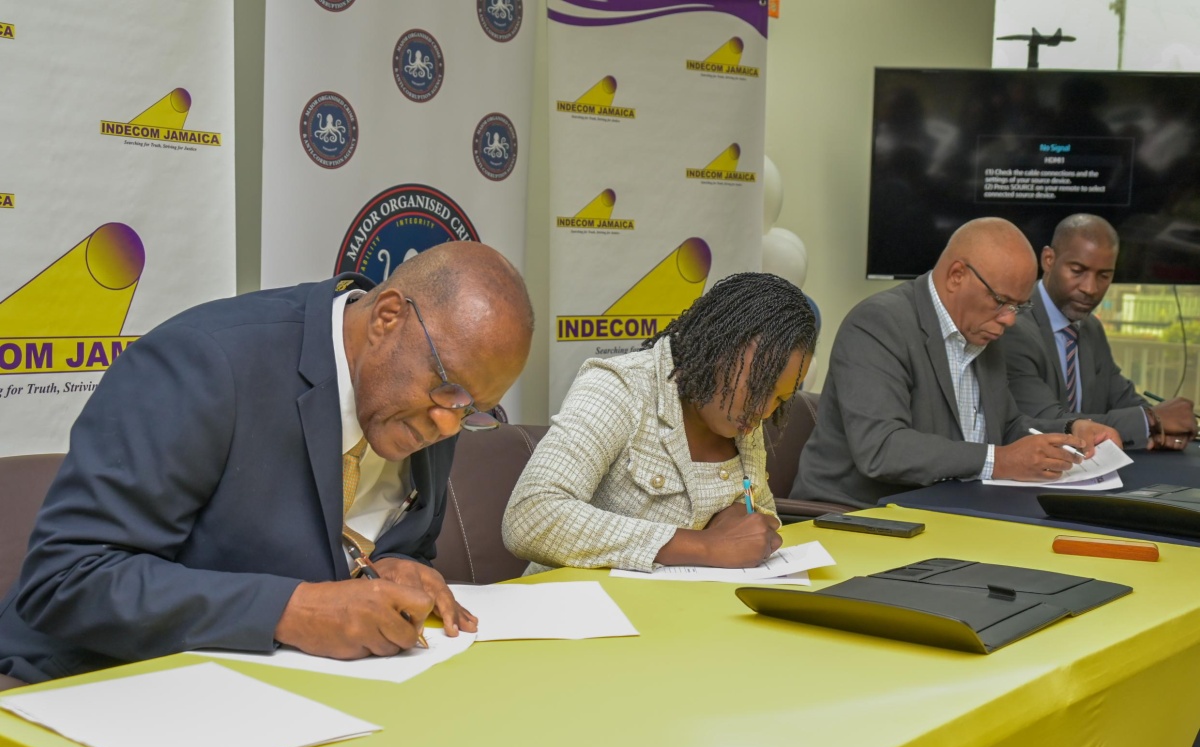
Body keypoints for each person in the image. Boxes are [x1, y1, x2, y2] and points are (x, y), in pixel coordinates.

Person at [0, 241, 534, 683]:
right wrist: (292, 610)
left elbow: (388, 537)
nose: (448, 427)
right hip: (94, 688)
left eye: (471, 410)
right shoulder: (206, 362)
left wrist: (391, 566)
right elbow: (67, 578)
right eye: (448, 393)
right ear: (387, 317)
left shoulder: (438, 397)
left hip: (283, 695)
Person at [792, 217, 1122, 509]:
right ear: (956, 275)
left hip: (947, 511)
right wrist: (1000, 461)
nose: (1009, 319)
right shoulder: (879, 323)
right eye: (1001, 301)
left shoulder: (983, 329)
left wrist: (1070, 432)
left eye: (1018, 307)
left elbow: (1005, 427)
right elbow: (882, 449)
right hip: (857, 515)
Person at [503, 272, 816, 574]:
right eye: (758, 388)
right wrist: (704, 546)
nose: (763, 410)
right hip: (577, 602)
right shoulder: (621, 387)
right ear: (716, 348)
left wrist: (744, 517)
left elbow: (761, 516)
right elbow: (530, 516)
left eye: (780, 399)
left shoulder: (741, 418)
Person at [998, 213, 1197, 450]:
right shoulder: (1012, 324)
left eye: (1104, 275)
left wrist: (1161, 427)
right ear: (1049, 260)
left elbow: (1122, 398)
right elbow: (1048, 422)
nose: (1090, 288)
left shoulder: (1090, 327)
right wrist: (1151, 420)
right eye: (1077, 270)